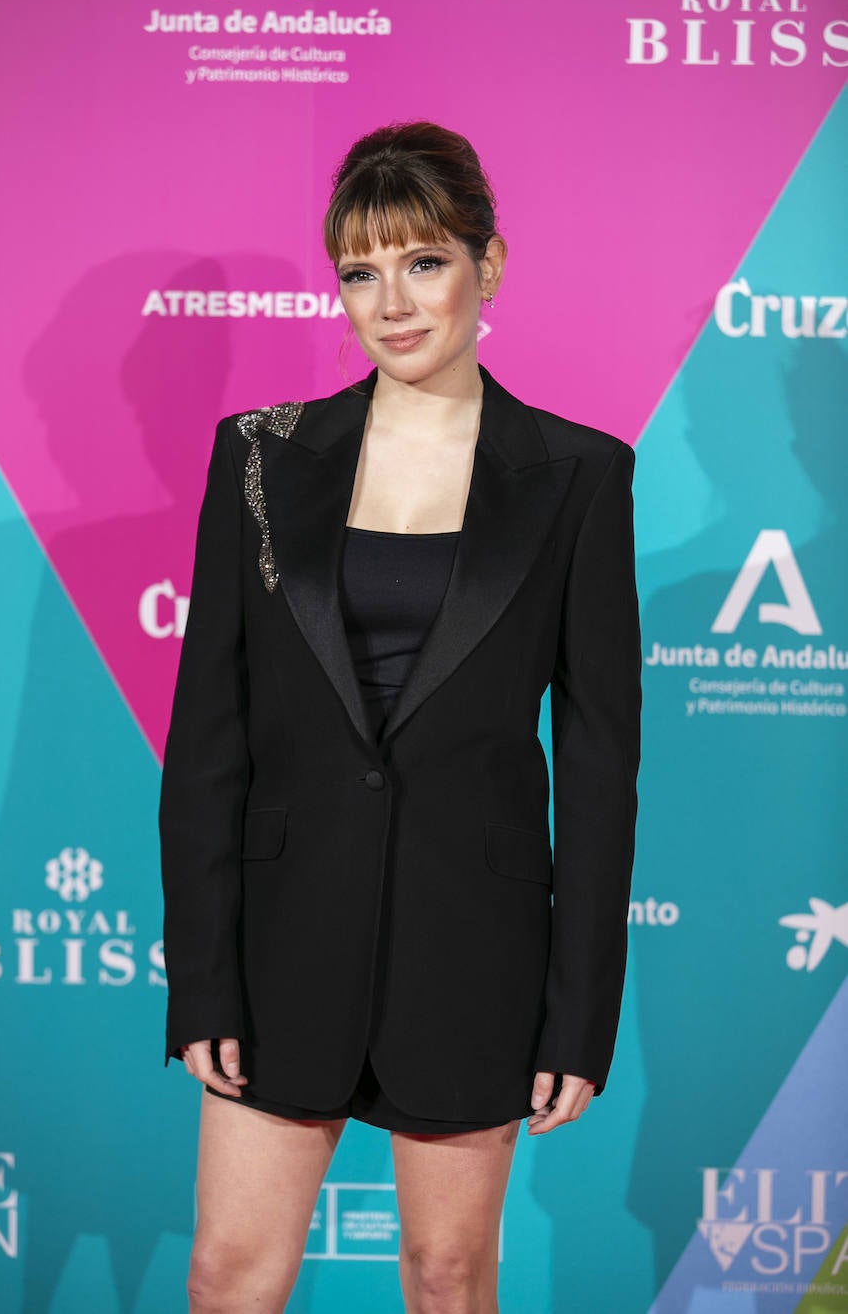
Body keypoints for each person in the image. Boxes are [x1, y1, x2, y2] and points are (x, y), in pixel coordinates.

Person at [159, 120, 642, 1314]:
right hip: (284, 934)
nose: (391, 301)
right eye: (361, 273)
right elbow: (207, 740)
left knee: (446, 1273)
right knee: (228, 1273)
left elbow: (595, 764)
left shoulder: (579, 476)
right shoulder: (260, 460)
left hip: (470, 940)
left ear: (490, 264)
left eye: (423, 262)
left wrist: (579, 1012)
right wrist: (204, 980)